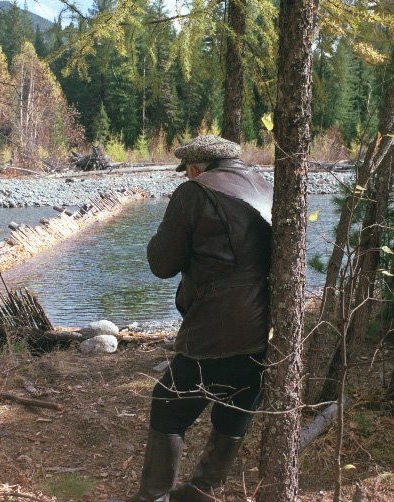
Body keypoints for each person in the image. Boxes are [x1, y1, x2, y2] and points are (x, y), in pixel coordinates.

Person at [128, 135, 273, 502]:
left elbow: (162, 264)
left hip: (216, 325)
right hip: (265, 324)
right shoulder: (263, 185)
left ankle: (154, 497)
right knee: (237, 402)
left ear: (194, 168)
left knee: (168, 405)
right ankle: (203, 491)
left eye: (188, 172)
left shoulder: (194, 193)